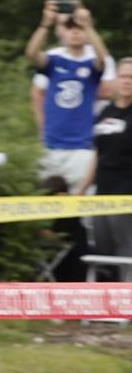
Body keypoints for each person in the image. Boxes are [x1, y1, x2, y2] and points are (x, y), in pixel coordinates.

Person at [27, 0, 118, 192]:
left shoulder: (91, 64)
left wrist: (88, 26)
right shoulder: (54, 60)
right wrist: (45, 23)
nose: (75, 32)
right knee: (48, 197)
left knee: (82, 201)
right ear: (62, 33)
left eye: (79, 29)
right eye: (69, 28)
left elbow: (103, 59)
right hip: (52, 143)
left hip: (82, 145)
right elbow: (32, 53)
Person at [84, 71, 132, 279]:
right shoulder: (106, 111)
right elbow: (97, 153)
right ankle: (108, 302)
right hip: (102, 191)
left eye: (131, 77)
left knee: (126, 247)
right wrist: (83, 188)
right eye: (123, 76)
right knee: (102, 246)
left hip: (126, 192)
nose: (127, 81)